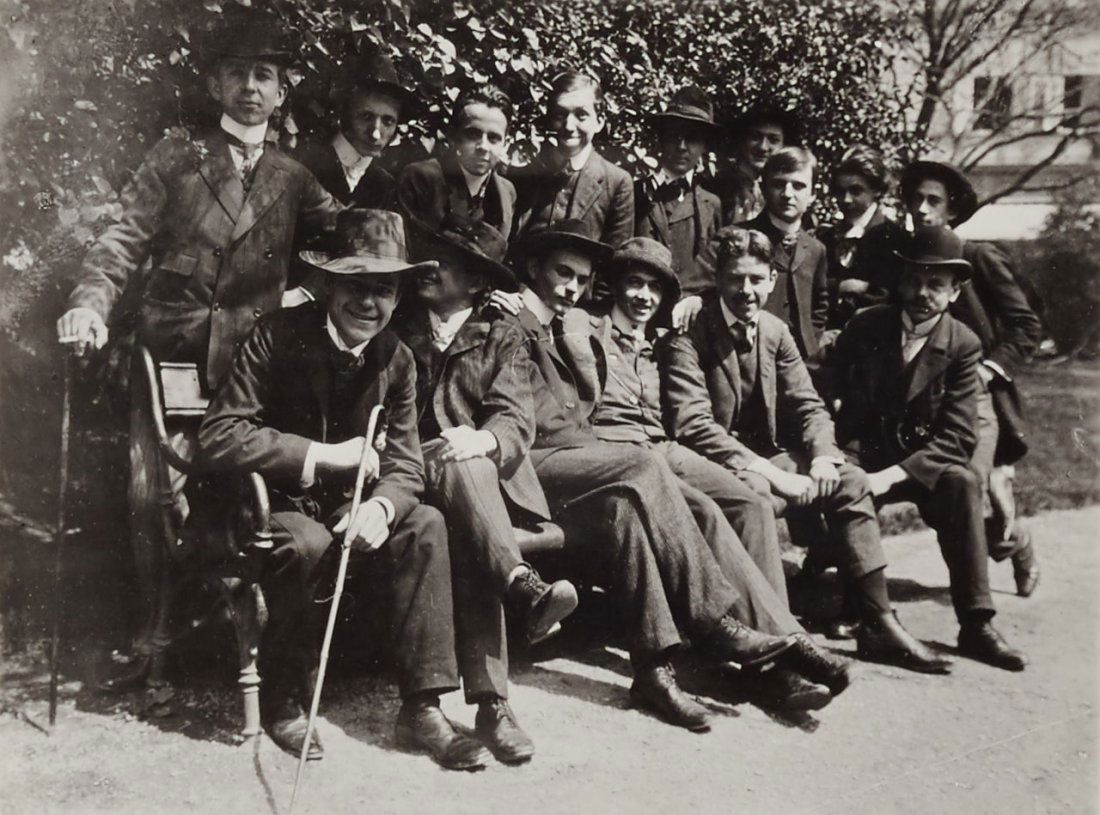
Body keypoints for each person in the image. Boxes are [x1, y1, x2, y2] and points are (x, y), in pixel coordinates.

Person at [54, 9, 339, 682]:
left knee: (254, 501)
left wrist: (307, 298)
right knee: (153, 498)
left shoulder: (293, 178)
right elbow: (122, 237)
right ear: (216, 85)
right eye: (238, 73)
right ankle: (154, 644)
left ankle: (248, 647)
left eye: (264, 75)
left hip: (250, 371)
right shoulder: (177, 156)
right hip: (174, 361)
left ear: (281, 91)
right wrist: (88, 306)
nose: (250, 87)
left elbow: (345, 247)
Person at [511, 219, 853, 726]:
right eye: (634, 284)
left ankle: (782, 646)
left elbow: (691, 407)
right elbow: (564, 337)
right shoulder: (584, 323)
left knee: (749, 503)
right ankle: (771, 655)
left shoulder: (668, 341)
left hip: (663, 448)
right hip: (614, 452)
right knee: (703, 511)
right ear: (614, 285)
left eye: (654, 288)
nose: (644, 296)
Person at [194, 208, 491, 770]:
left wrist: (383, 505)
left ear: (399, 297)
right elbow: (219, 435)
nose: (368, 304)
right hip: (266, 503)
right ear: (330, 284)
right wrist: (323, 456)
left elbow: (406, 464)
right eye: (355, 286)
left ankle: (422, 706)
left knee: (424, 523)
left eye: (382, 290)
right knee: (306, 542)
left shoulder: (396, 359)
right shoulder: (276, 337)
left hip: (347, 504)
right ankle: (286, 696)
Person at [662, 226, 954, 674]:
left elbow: (808, 404)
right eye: (736, 278)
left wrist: (821, 455)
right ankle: (779, 644)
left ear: (772, 281)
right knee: (754, 501)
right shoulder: (692, 332)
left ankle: (878, 620)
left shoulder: (775, 332)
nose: (746, 290)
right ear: (717, 279)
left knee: (850, 480)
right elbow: (693, 424)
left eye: (758, 279)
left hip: (774, 457)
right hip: (720, 463)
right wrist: (776, 474)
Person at [394, 215, 577, 764]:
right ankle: (523, 590)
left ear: (475, 282)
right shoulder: (398, 322)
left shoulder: (503, 334)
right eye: (427, 257)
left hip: (478, 483)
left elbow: (516, 419)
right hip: (408, 466)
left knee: (468, 500)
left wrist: (484, 441)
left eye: (443, 263)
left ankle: (492, 705)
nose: (428, 268)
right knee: (459, 464)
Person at [825, 225, 1028, 670]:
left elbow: (957, 436)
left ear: (955, 292)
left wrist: (893, 476)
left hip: (920, 460)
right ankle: (866, 612)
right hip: (864, 451)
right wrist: (846, 451)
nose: (922, 293)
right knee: (848, 482)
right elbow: (829, 388)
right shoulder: (867, 326)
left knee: (961, 482)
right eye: (914, 280)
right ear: (900, 281)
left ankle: (977, 622)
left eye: (936, 284)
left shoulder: (963, 344)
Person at [862, 159, 1041, 597]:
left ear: (952, 208)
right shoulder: (906, 257)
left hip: (975, 395)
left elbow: (1026, 325)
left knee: (976, 493)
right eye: (914, 200)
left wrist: (987, 367)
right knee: (944, 492)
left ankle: (1016, 544)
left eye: (933, 201)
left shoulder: (977, 256)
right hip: (920, 395)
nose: (921, 209)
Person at [633, 85, 724, 332]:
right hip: (637, 318)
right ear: (661, 139)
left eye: (692, 138)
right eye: (674, 136)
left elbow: (715, 273)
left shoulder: (712, 205)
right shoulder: (635, 194)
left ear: (704, 146)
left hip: (690, 324)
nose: (682, 146)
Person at [510, 71, 633, 249]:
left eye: (581, 115)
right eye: (560, 114)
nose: (569, 126)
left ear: (599, 122)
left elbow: (614, 260)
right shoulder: (527, 171)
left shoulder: (617, 182)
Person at [738, 147, 828, 362]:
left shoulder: (816, 249)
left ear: (813, 193)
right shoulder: (738, 237)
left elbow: (819, 308)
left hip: (802, 361)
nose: (788, 194)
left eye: (798, 185)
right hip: (751, 355)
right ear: (763, 188)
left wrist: (810, 341)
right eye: (779, 184)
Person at [293, 50, 409, 210]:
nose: (375, 133)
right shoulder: (305, 161)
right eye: (366, 117)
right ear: (345, 114)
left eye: (388, 121)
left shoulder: (385, 185)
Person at [396, 85, 517, 236]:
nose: (483, 147)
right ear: (453, 136)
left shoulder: (507, 193)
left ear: (506, 143)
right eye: (473, 134)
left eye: (494, 138)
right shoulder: (421, 179)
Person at [817, 145, 896, 329]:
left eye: (856, 191)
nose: (845, 200)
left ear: (876, 190)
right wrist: (843, 286)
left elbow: (884, 296)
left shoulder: (892, 238)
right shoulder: (826, 237)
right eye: (840, 191)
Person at [702, 104, 798, 226]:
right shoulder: (717, 188)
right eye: (755, 137)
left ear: (784, 146)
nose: (763, 147)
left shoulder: (783, 192)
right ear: (742, 140)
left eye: (773, 140)